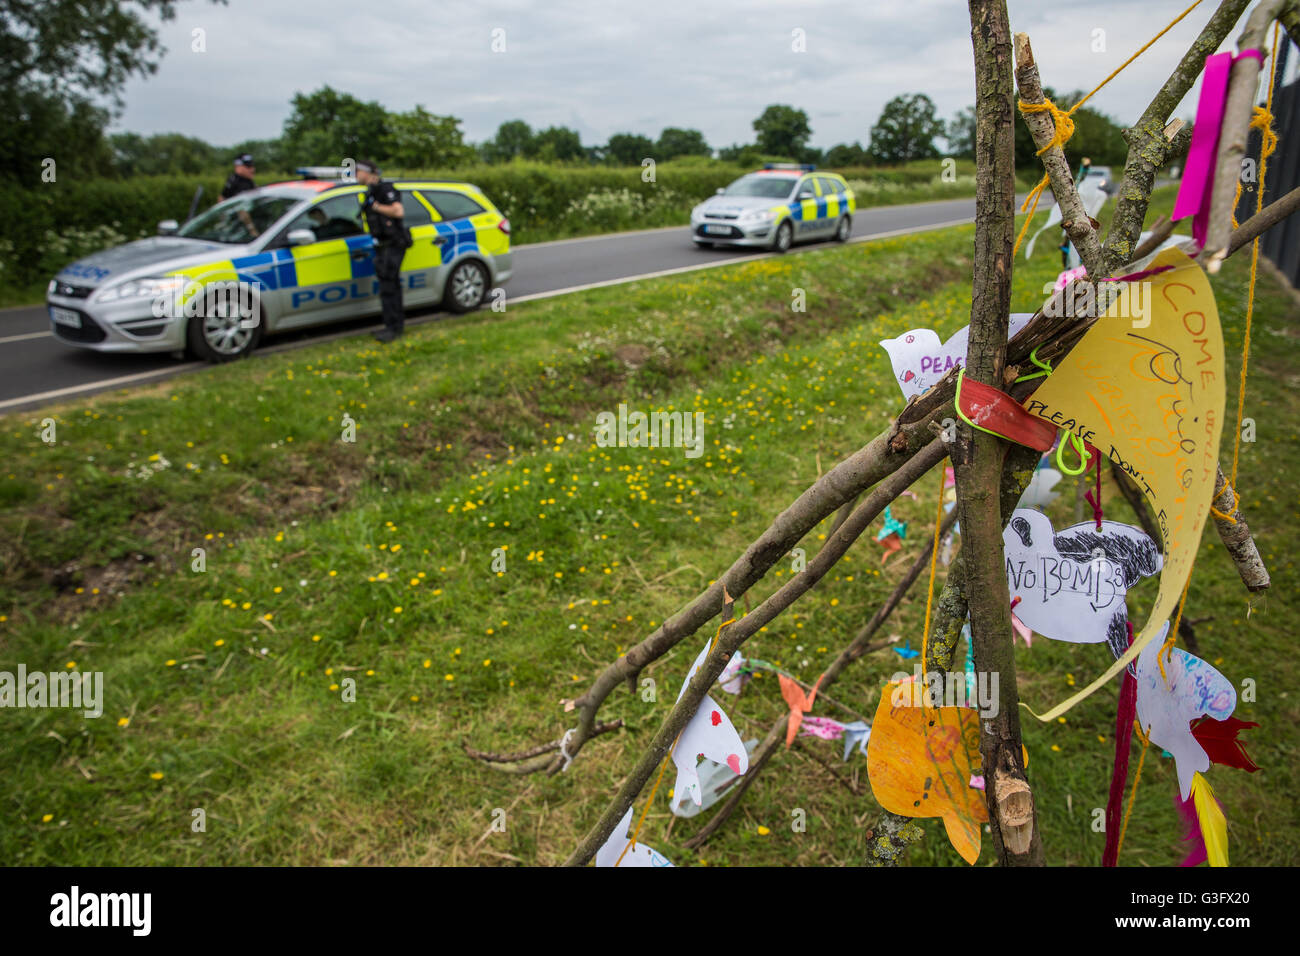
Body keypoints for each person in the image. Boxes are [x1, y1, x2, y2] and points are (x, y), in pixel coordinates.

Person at [355, 158, 410, 342]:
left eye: (357, 171)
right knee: (387, 287)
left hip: (393, 244)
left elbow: (398, 212)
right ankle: (391, 326)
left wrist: (376, 206)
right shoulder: (371, 192)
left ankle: (394, 328)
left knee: (390, 287)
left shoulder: (385, 190)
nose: (355, 175)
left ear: (369, 173)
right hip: (382, 246)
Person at [221, 154, 260, 238]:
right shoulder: (234, 181)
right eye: (248, 167)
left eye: (252, 167)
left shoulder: (249, 181)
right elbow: (222, 200)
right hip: (240, 226)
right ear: (238, 167)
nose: (252, 170)